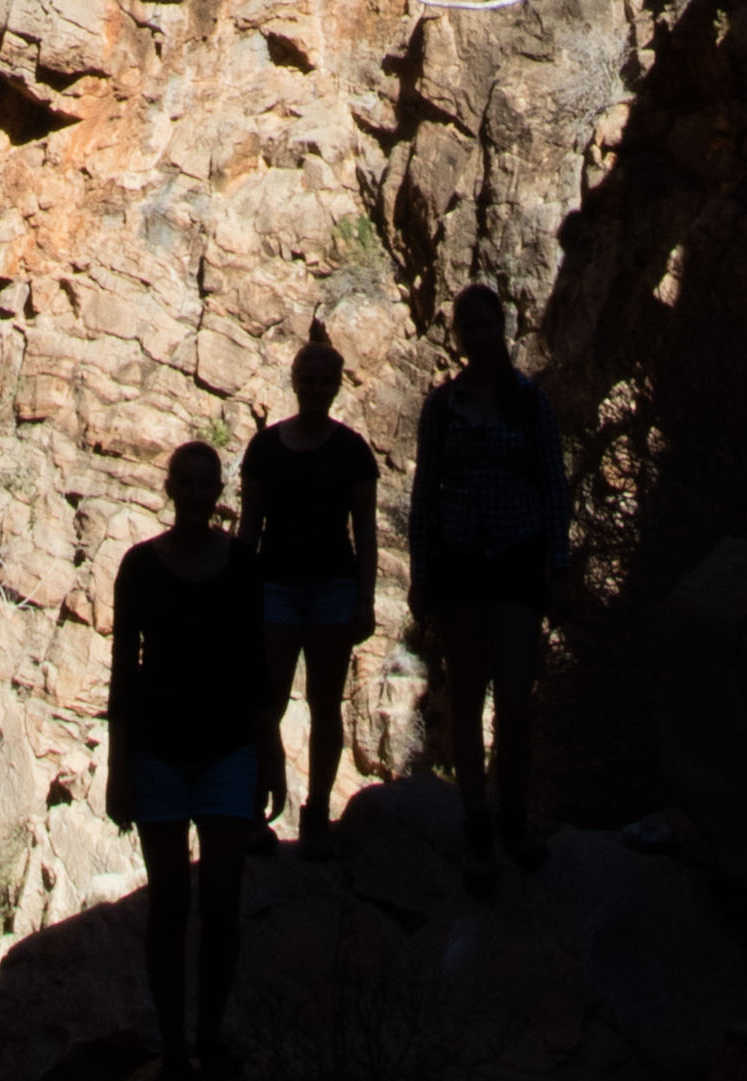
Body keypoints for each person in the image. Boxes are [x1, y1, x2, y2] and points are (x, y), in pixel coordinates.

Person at [103, 439, 276, 1081]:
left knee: (223, 903)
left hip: (229, 747)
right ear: (170, 487)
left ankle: (211, 1039)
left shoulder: (243, 568)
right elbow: (124, 671)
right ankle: (175, 1053)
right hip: (158, 750)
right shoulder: (140, 568)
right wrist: (117, 767)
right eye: (188, 483)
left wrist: (271, 755)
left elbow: (257, 669)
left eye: (209, 484)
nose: (198, 495)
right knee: (170, 902)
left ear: (219, 493)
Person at [412, 285, 570, 886]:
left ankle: (513, 819)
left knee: (515, 699)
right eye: (468, 327)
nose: (478, 337)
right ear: (458, 336)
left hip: (516, 557)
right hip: (459, 558)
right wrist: (421, 572)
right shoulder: (442, 407)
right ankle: (477, 824)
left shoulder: (530, 402)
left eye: (487, 325)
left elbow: (553, 486)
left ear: (501, 329)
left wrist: (559, 567)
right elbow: (426, 492)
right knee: (466, 695)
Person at [237, 327, 383, 831]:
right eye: (309, 379)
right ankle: (255, 806)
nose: (317, 389)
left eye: (325, 381)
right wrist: (239, 594)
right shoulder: (264, 449)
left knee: (325, 703)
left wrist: (365, 600)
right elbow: (249, 529)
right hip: (274, 587)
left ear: (337, 386)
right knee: (267, 702)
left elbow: (366, 532)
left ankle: (317, 809)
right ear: (295, 382)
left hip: (332, 589)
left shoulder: (353, 451)